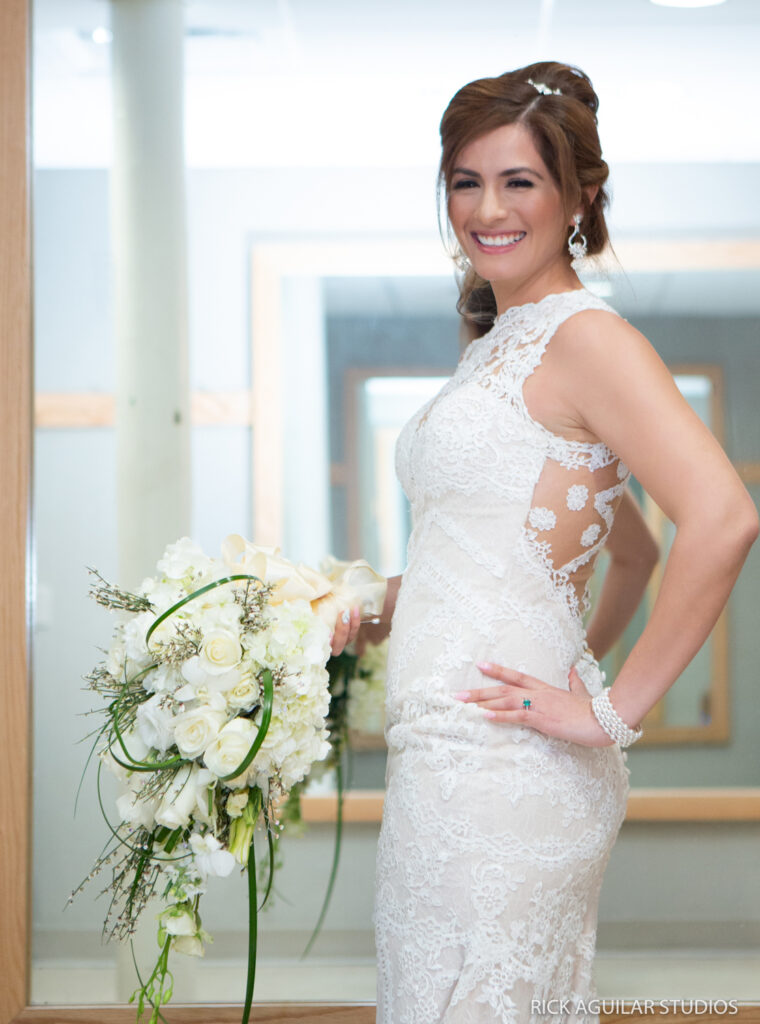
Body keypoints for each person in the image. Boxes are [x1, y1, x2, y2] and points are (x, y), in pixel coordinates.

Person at [330, 60, 759, 1023]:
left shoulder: (585, 339)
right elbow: (602, 554)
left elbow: (725, 516)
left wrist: (607, 710)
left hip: (501, 775)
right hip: (446, 762)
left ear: (578, 197)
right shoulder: (498, 344)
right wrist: (373, 606)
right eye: (465, 181)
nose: (487, 207)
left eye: (518, 180)